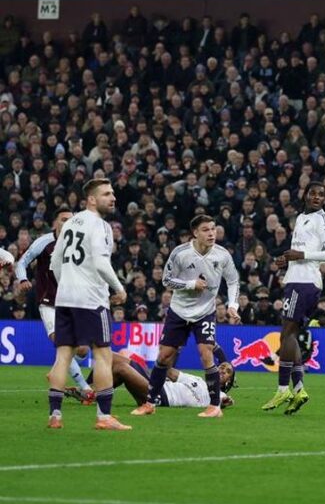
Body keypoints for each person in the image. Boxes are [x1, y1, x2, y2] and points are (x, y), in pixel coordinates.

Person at [131, 215, 240, 418]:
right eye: (206, 230)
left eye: (213, 229)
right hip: (179, 311)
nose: (211, 234)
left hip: (205, 312)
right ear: (195, 233)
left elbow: (233, 280)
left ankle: (214, 406)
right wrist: (191, 284)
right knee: (164, 357)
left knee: (206, 352)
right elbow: (166, 280)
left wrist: (232, 305)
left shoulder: (222, 255)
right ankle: (149, 403)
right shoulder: (181, 253)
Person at [46, 179, 129, 431]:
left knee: (63, 356)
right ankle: (104, 417)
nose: (112, 197)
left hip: (65, 298)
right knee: (102, 355)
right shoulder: (101, 225)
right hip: (91, 299)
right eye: (106, 194)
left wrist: (67, 286)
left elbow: (55, 264)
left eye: (113, 193)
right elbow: (102, 263)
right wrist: (119, 288)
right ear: (91, 199)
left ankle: (55, 416)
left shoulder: (69, 223)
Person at [261, 183, 325, 415]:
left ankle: (283, 388)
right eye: (313, 193)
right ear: (305, 195)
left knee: (287, 334)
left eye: (321, 194)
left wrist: (301, 255)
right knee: (290, 335)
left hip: (304, 283)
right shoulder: (303, 217)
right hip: (297, 278)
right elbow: (300, 252)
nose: (317, 197)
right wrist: (288, 259)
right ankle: (300, 389)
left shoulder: (324, 221)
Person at [16, 207, 94, 402]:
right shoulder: (44, 242)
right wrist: (23, 279)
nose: (68, 223)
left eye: (72, 220)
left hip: (72, 301)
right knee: (62, 343)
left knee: (83, 349)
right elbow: (21, 262)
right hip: (49, 302)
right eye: (64, 219)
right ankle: (85, 388)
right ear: (55, 223)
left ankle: (57, 371)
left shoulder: (79, 243)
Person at [106, 350, 235, 410]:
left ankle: (96, 395)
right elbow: (170, 372)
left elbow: (224, 400)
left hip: (161, 396)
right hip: (156, 384)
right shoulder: (197, 380)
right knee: (113, 357)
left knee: (121, 368)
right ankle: (91, 392)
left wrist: (226, 401)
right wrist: (166, 357)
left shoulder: (218, 393)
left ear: (228, 382)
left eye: (228, 371)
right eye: (222, 367)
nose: (223, 370)